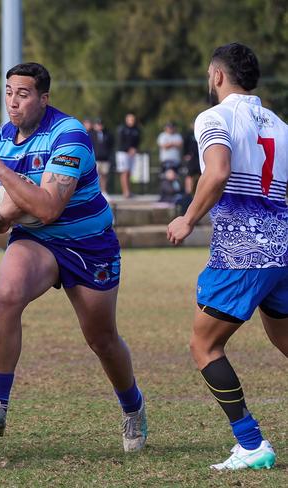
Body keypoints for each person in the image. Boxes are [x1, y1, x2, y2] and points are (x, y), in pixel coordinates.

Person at [0, 62, 147, 452]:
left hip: (88, 245)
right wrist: (9, 212)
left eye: (24, 94)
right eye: (9, 92)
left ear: (44, 98)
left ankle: (133, 406)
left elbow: (49, 207)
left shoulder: (69, 135)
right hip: (35, 239)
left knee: (101, 339)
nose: (13, 102)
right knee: (7, 295)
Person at [167, 42, 287, 470]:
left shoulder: (213, 117)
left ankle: (251, 444)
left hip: (243, 252)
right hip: (283, 252)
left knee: (205, 345)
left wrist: (187, 218)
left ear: (217, 76)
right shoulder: (280, 124)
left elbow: (216, 172)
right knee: (284, 340)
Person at [116, 114, 141, 198]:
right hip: (123, 153)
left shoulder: (136, 129)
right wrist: (128, 149)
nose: (131, 121)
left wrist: (135, 149)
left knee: (129, 173)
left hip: (132, 153)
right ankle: (125, 192)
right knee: (124, 172)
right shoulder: (122, 129)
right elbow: (120, 142)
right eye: (130, 119)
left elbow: (137, 141)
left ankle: (129, 191)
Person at [91, 118, 113, 197]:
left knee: (104, 175)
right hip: (95, 158)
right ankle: (96, 191)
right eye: (98, 124)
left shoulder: (107, 134)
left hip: (105, 158)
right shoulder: (91, 134)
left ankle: (104, 191)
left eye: (100, 125)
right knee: (96, 176)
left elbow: (111, 146)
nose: (99, 126)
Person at [183, 122, 201, 194]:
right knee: (189, 174)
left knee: (201, 175)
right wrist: (185, 155)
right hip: (192, 158)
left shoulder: (200, 133)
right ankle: (188, 192)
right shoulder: (189, 134)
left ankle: (200, 192)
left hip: (200, 158)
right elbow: (185, 146)